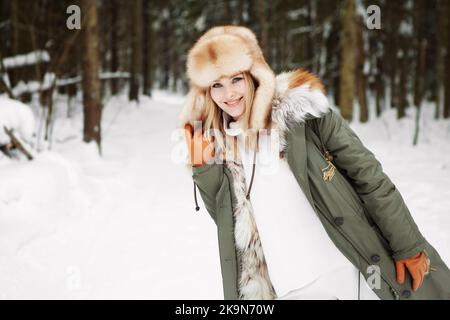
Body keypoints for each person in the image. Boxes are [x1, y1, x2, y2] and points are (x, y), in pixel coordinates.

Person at [177, 25, 450, 300]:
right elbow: (229, 223)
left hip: (354, 271)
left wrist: (408, 244)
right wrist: (204, 168)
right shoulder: (219, 146)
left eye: (236, 79)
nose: (229, 94)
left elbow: (369, 176)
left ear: (255, 74)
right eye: (216, 85)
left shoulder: (303, 115)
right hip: (293, 288)